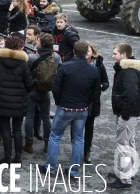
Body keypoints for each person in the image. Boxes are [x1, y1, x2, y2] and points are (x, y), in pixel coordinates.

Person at [40, 41, 100, 179]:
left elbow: (56, 87)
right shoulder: (93, 70)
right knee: (78, 139)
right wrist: (86, 102)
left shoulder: (65, 66)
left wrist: (60, 101)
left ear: (73, 51)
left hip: (65, 107)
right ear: (86, 53)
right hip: (82, 109)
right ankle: (73, 171)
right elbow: (96, 92)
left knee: (55, 136)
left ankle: (50, 168)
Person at [0, 35, 33, 165]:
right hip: (19, 100)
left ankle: (7, 158)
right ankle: (18, 158)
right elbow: (29, 84)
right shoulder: (23, 64)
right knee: (18, 130)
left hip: (2, 99)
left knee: (6, 131)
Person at [108, 43, 140, 189]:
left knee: (123, 146)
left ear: (124, 55)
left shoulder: (128, 72)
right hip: (133, 113)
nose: (112, 56)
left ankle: (125, 179)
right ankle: (130, 171)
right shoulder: (129, 69)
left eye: (115, 53)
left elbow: (131, 95)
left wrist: (125, 116)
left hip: (129, 115)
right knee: (129, 142)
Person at [23, 33, 55, 155]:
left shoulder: (32, 57)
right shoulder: (55, 57)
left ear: (42, 43)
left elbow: (27, 73)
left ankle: (29, 144)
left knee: (29, 117)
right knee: (46, 117)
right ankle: (47, 144)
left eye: (38, 41)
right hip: (46, 91)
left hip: (33, 90)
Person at [82, 42, 109, 164]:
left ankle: (87, 151)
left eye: (88, 51)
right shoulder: (78, 63)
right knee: (76, 126)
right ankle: (76, 150)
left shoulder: (99, 65)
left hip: (92, 101)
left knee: (89, 126)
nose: (86, 53)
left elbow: (106, 82)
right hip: (79, 99)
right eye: (84, 51)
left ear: (93, 52)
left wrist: (101, 86)